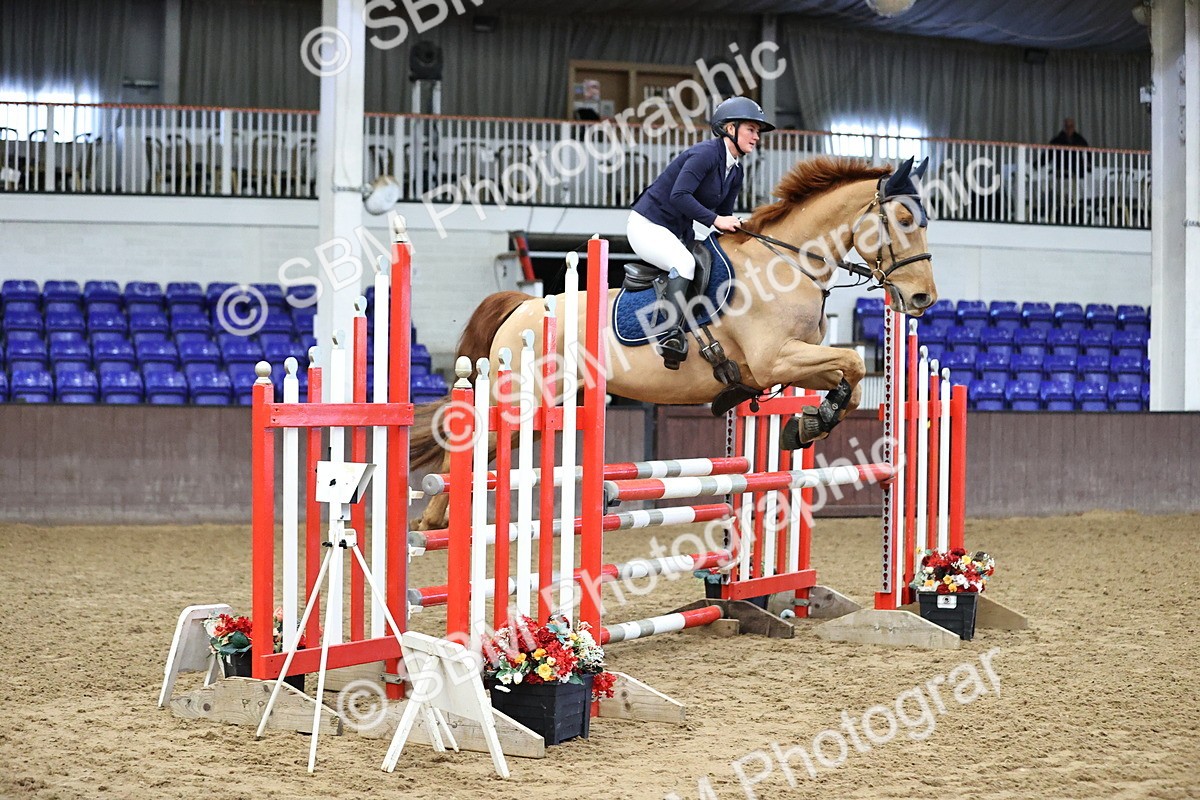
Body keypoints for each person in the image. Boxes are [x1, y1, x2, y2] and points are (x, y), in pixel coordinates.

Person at [627, 96, 774, 369]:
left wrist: (742, 228)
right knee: (684, 263)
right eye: (751, 130)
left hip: (677, 232)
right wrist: (717, 220)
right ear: (730, 129)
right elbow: (679, 195)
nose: (756, 137)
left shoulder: (736, 171)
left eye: (758, 132)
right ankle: (670, 335)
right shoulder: (705, 154)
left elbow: (724, 215)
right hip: (647, 226)